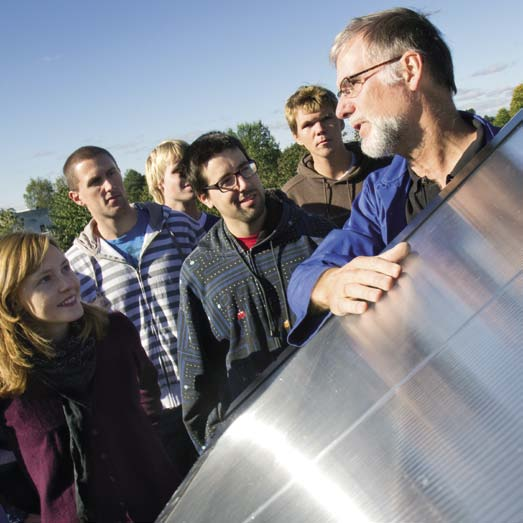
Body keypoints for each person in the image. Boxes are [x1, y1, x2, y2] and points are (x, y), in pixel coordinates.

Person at [287, 7, 499, 346]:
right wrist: (331, 284)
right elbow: (306, 277)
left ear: (410, 70)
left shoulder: (511, 155)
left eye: (351, 85)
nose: (341, 109)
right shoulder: (380, 196)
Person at [0, 232, 179, 522]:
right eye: (45, 279)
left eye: (65, 268)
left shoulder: (114, 333)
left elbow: (148, 387)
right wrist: (29, 510)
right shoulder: (9, 382)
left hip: (160, 506)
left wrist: (144, 439)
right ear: (13, 300)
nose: (66, 284)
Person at [177, 132, 335, 451]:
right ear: (204, 198)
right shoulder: (202, 272)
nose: (243, 184)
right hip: (263, 443)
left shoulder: (318, 238)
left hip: (337, 413)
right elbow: (197, 380)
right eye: (226, 181)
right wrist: (217, 451)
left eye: (245, 169)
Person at [64, 145, 202, 477]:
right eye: (95, 181)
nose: (109, 186)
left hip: (208, 393)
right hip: (150, 420)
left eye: (112, 173)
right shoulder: (77, 268)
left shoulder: (176, 227)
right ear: (77, 197)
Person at [283, 85, 390, 227]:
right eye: (308, 125)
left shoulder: (386, 167)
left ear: (340, 121)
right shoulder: (291, 197)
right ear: (296, 137)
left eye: (326, 118)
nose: (320, 129)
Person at [145, 139, 219, 231]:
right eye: (179, 170)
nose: (188, 175)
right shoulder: (155, 234)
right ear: (159, 183)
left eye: (191, 168)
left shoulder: (219, 228)